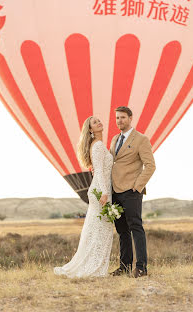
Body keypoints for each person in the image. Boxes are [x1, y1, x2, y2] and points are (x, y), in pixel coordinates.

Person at [53, 116, 113, 278]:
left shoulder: (97, 145)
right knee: (101, 230)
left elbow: (99, 169)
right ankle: (94, 268)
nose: (99, 122)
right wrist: (105, 192)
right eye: (95, 122)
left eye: (99, 120)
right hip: (101, 192)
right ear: (91, 130)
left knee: (97, 229)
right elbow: (99, 171)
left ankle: (94, 266)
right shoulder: (98, 146)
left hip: (99, 190)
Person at [109, 106, 156, 278]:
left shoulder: (141, 139)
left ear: (130, 118)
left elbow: (150, 165)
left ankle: (141, 268)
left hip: (131, 190)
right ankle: (125, 266)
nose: (119, 121)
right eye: (117, 118)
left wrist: (137, 186)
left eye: (122, 117)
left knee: (136, 227)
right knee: (122, 230)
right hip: (115, 190)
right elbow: (112, 162)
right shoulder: (114, 139)